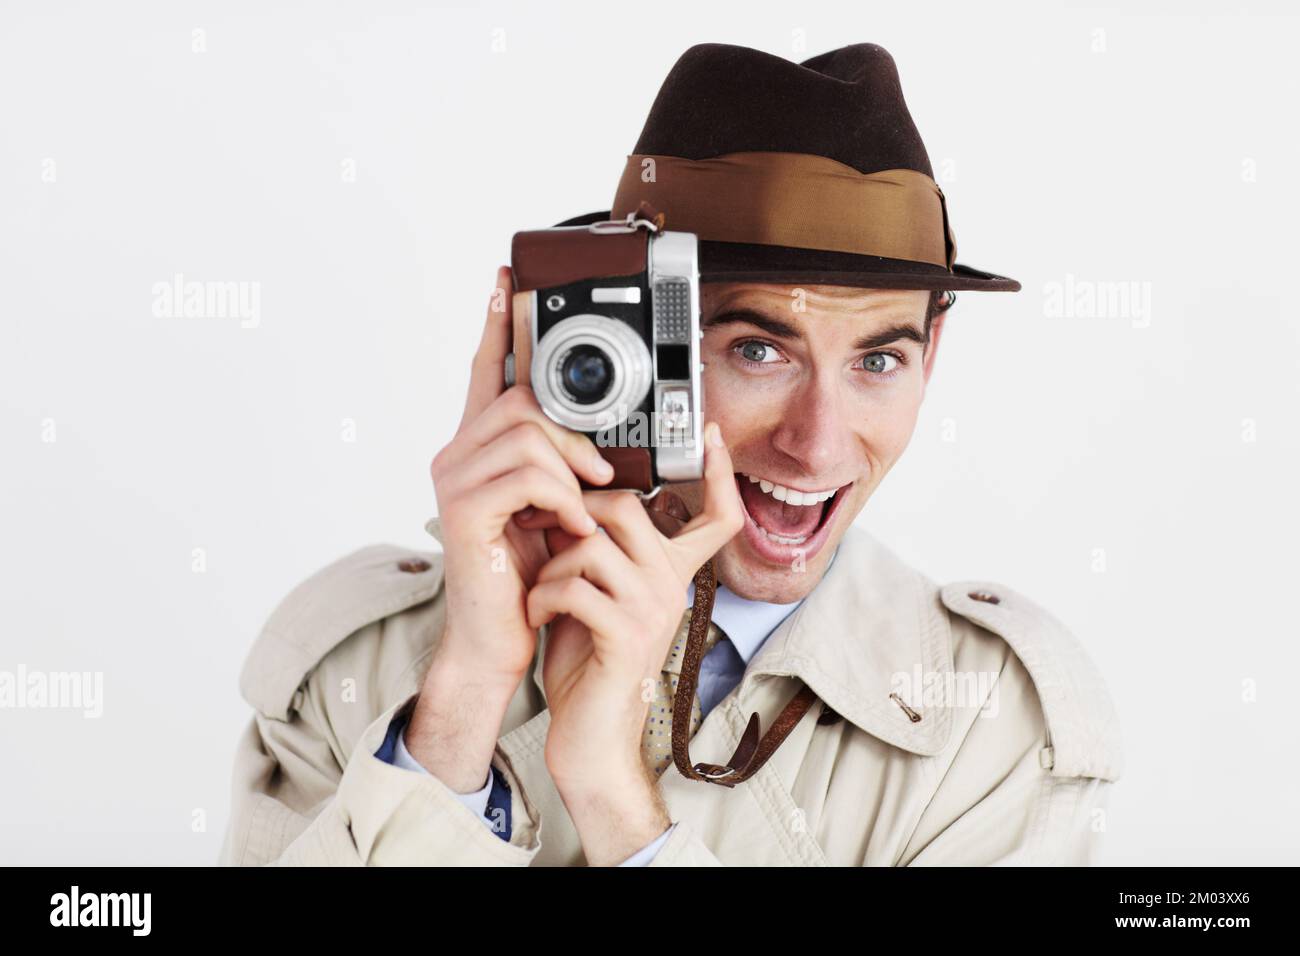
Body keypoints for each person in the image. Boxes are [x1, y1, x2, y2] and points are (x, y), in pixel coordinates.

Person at [220, 42, 1123, 867]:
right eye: (757, 350)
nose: (817, 443)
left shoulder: (988, 724)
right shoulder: (358, 664)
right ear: (623, 340)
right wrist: (458, 705)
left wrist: (615, 797)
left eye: (879, 360)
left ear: (933, 360)